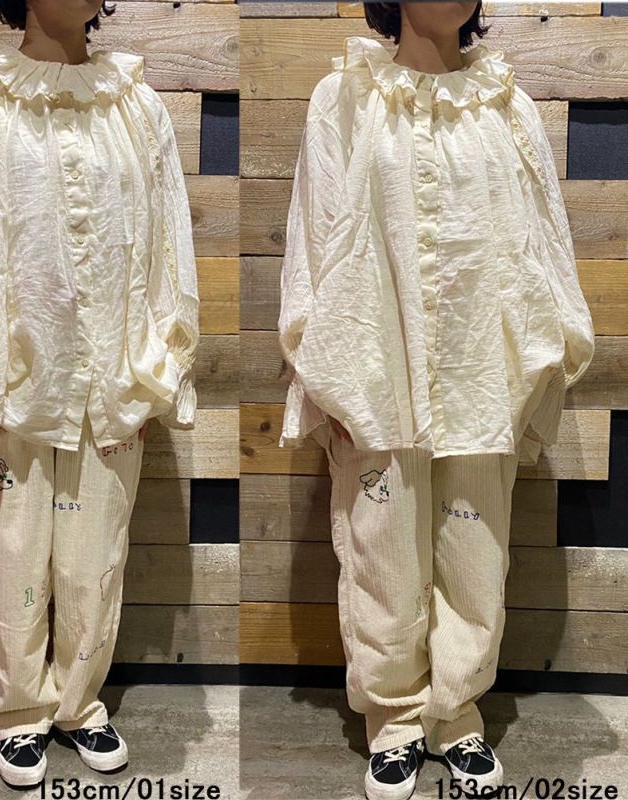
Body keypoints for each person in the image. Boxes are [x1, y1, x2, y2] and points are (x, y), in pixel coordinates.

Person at [276, 3, 594, 799]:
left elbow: (541, 230)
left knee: (475, 551)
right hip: (375, 360)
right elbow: (314, 233)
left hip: (483, 368)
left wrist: (551, 343)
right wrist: (318, 362)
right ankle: (395, 720)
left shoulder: (506, 104)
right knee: (382, 549)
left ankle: (457, 715)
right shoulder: (345, 96)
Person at [0, 0, 199, 789]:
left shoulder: (135, 104)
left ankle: (80, 704)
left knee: (96, 560)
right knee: (9, 555)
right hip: (1, 375)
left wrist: (164, 359)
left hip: (110, 377)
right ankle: (18, 712)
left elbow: (168, 240)